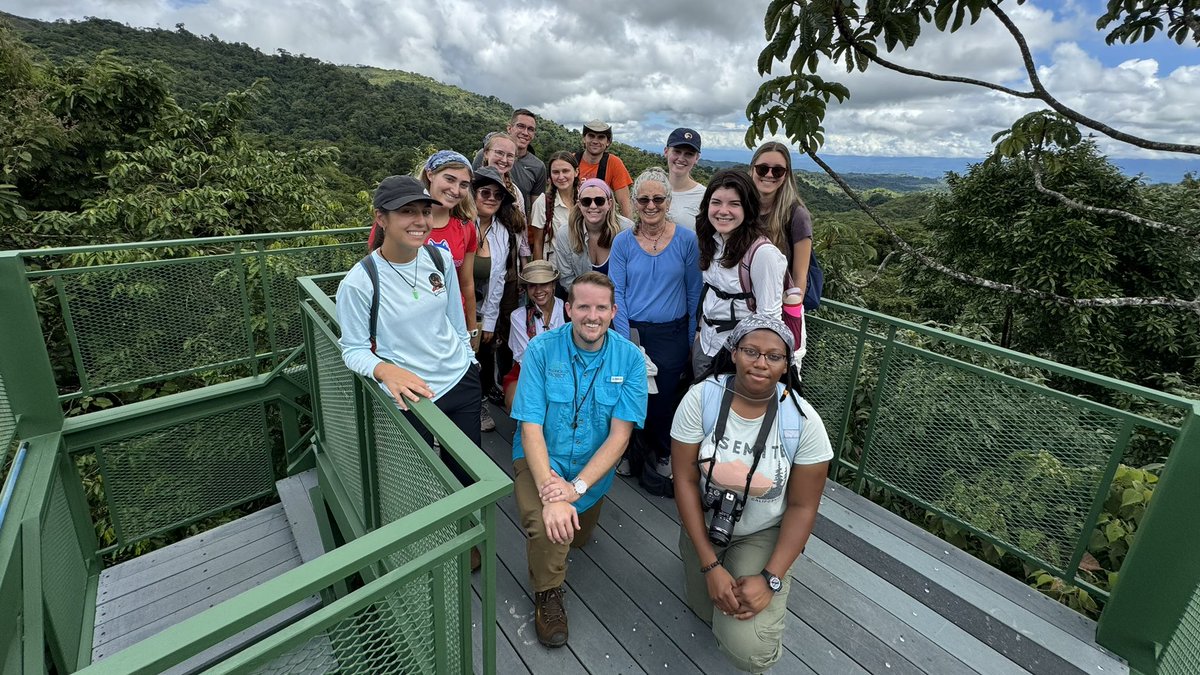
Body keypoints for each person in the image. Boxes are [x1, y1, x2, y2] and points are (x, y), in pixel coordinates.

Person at [671, 314, 831, 673]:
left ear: (786, 363)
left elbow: (804, 507)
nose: (761, 363)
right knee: (704, 607)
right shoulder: (702, 399)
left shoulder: (803, 423)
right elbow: (682, 479)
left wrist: (770, 579)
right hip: (706, 520)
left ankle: (757, 574)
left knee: (748, 649)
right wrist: (710, 564)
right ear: (733, 352)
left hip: (762, 530)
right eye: (751, 351)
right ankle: (710, 559)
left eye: (774, 356)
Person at [510, 272, 648, 648]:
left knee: (578, 537)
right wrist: (553, 493)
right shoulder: (541, 350)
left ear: (613, 311)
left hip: (590, 474)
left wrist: (577, 488)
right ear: (568, 309)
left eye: (601, 307)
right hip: (541, 461)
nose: (592, 315)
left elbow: (620, 435)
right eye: (583, 306)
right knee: (549, 527)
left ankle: (571, 517)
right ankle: (548, 593)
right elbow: (531, 429)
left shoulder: (630, 359)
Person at [337, 174, 482, 472]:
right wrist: (383, 369)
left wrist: (470, 361)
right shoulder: (360, 282)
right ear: (381, 218)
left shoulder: (439, 259)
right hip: (413, 396)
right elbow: (353, 349)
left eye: (425, 211)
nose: (420, 221)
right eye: (407, 211)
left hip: (461, 381)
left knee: (468, 474)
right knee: (420, 480)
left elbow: (455, 320)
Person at [609, 167, 702, 484]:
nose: (651, 205)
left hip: (671, 332)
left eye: (658, 199)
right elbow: (616, 292)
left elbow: (693, 292)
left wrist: (690, 340)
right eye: (644, 199)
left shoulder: (687, 241)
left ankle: (661, 452)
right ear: (634, 202)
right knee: (632, 394)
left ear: (668, 201)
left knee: (664, 399)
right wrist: (624, 341)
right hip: (631, 329)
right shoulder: (623, 243)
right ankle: (628, 452)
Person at [693, 170, 787, 376]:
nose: (723, 211)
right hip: (706, 344)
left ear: (748, 208)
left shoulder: (762, 254)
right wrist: (700, 332)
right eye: (716, 202)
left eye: (734, 204)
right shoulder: (713, 241)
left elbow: (769, 318)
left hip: (736, 356)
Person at [474, 166, 529, 432]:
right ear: (472, 194)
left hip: (481, 305)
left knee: (484, 352)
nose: (491, 198)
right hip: (455, 304)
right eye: (485, 192)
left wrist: (489, 321)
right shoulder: (460, 225)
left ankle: (481, 400)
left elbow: (496, 281)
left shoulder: (502, 232)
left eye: (498, 195)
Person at [415, 150, 482, 353]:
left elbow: (467, 283)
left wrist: (472, 328)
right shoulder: (404, 221)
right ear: (430, 174)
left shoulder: (465, 227)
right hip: (414, 324)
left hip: (453, 323)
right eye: (450, 179)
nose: (456, 190)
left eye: (463, 185)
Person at [750, 142, 814, 301]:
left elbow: (800, 277)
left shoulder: (796, 215)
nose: (769, 175)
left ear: (786, 175)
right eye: (762, 169)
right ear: (752, 170)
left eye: (777, 170)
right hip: (740, 303)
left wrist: (791, 313)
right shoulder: (741, 208)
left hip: (775, 306)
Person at [501, 260, 567, 412]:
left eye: (544, 284)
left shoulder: (567, 310)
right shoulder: (518, 316)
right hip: (528, 372)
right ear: (526, 289)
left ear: (553, 285)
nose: (538, 290)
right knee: (515, 401)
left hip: (566, 370)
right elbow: (525, 357)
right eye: (532, 285)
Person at [553, 177, 633, 290]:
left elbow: (633, 277)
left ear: (609, 204)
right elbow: (567, 279)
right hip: (581, 298)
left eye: (599, 201)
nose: (593, 206)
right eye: (586, 201)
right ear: (579, 205)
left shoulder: (627, 230)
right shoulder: (565, 234)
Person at [473, 108, 547, 214]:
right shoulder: (485, 155)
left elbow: (536, 210)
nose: (525, 132)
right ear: (509, 128)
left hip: (515, 223)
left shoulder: (538, 167)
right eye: (521, 126)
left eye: (530, 129)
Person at [576, 119, 634, 218]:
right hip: (574, 217)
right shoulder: (572, 161)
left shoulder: (614, 163)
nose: (595, 141)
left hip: (603, 219)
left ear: (608, 142)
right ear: (584, 139)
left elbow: (624, 202)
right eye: (591, 136)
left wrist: (631, 230)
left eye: (601, 137)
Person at [529, 151, 578, 263]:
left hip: (582, 269)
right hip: (554, 271)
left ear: (576, 172)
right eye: (556, 172)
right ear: (550, 176)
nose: (561, 177)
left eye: (565, 171)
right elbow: (538, 243)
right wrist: (540, 276)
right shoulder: (542, 203)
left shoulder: (586, 200)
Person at [664, 128, 706, 230]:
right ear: (666, 151)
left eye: (689, 154)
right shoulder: (652, 189)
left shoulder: (705, 196)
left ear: (696, 158)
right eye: (677, 152)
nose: (681, 158)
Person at [480, 132, 526, 214]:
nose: (504, 160)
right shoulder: (471, 185)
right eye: (499, 153)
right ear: (486, 153)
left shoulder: (516, 193)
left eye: (510, 155)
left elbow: (522, 225)